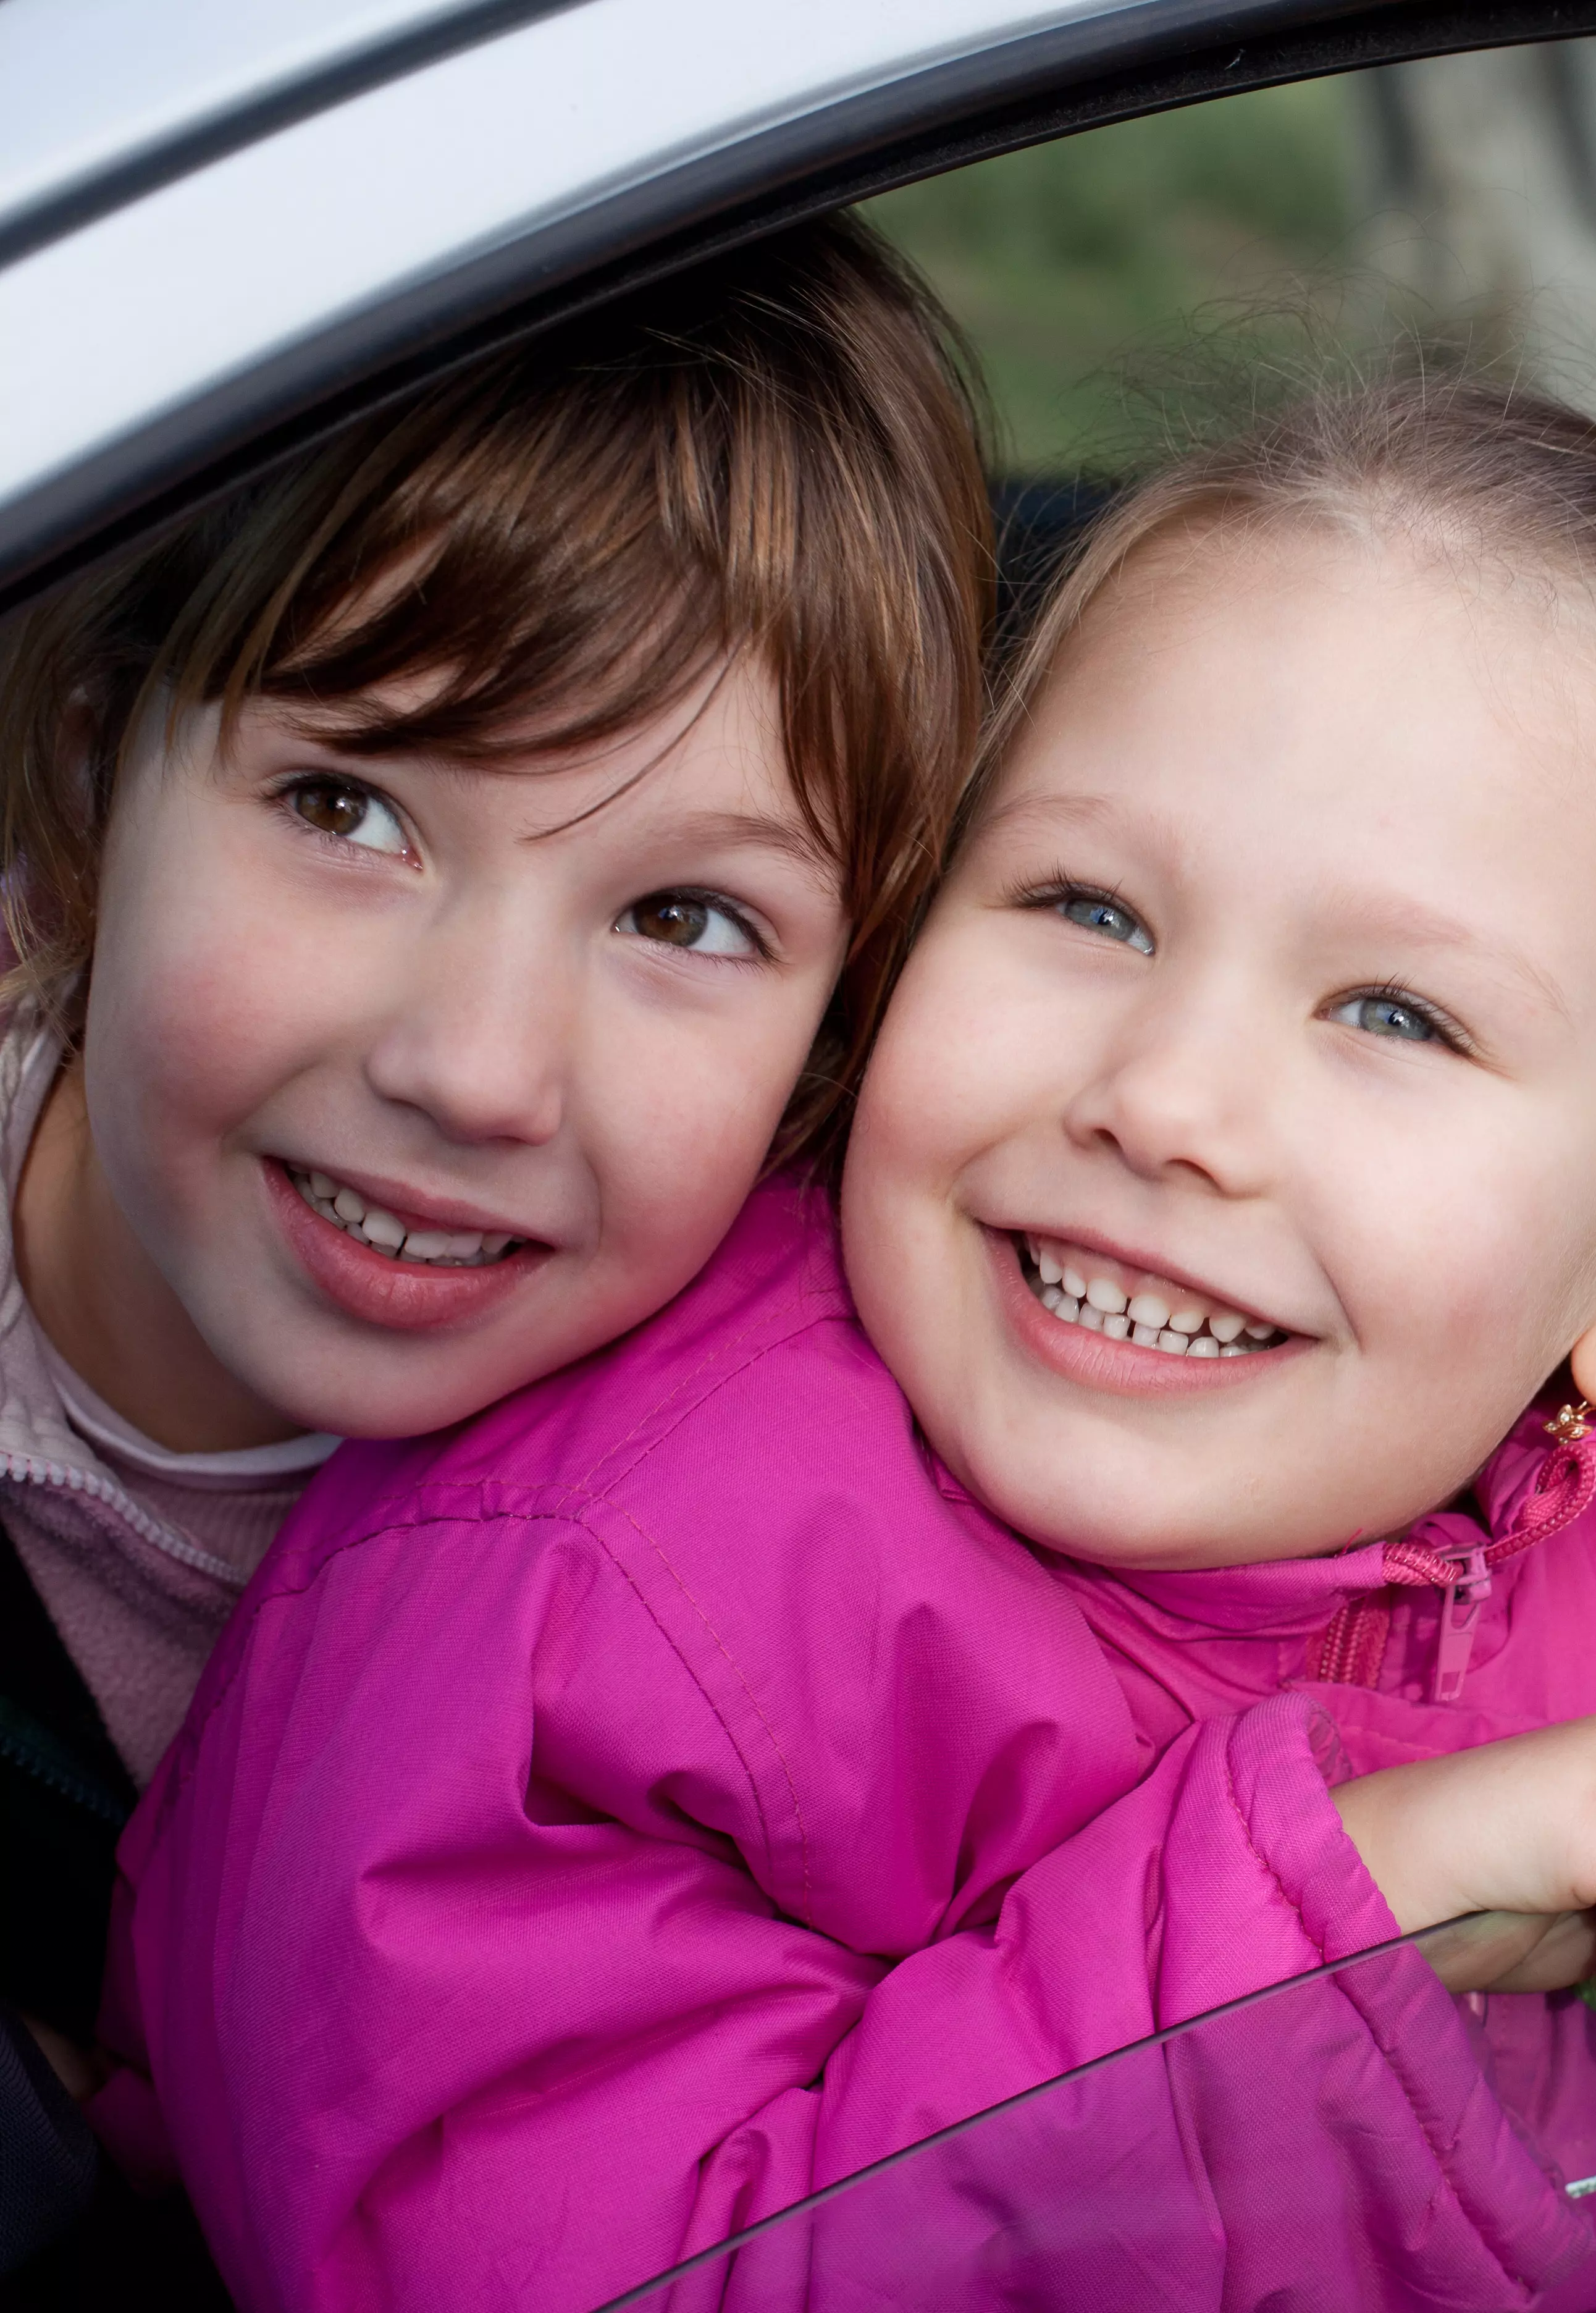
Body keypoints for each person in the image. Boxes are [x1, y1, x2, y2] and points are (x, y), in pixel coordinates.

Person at [116, 375, 1596, 2312]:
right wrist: (1347, 1918)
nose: (1171, 1101)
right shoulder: (601, 1592)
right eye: (1089, 912)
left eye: (1396, 1017)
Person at [0, 214, 988, 2267]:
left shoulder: (836, 1521)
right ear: (99, 760)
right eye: (351, 809)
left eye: (686, 920)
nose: (476, 1072)